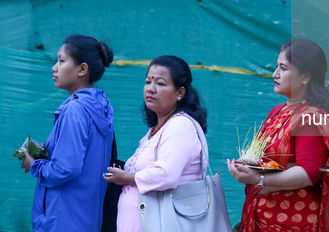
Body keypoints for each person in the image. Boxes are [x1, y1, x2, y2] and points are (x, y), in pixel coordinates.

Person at [227, 39, 329, 232]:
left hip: (293, 221)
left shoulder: (310, 118)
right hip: (263, 214)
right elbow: (270, 161)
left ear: (305, 77)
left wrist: (260, 180)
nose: (275, 74)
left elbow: (309, 172)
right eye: (277, 67)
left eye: (283, 68)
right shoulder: (278, 111)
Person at [21, 35, 115, 232]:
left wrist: (34, 164)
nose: (54, 67)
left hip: (61, 220)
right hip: (86, 219)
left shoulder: (74, 110)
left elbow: (65, 169)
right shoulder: (102, 106)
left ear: (82, 69)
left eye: (61, 61)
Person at [104, 55, 208, 232]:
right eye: (147, 82)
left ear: (180, 93)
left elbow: (166, 174)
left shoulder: (181, 124)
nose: (150, 89)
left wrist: (126, 178)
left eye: (160, 83)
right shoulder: (155, 131)